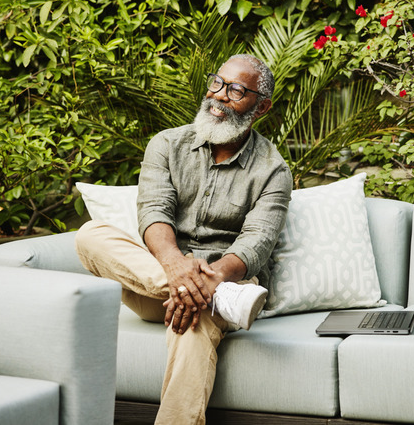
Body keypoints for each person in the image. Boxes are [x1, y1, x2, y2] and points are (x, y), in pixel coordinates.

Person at [74, 54, 292, 424]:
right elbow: (154, 210)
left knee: (194, 325)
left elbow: (255, 243)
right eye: (217, 83)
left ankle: (213, 295)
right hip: (159, 278)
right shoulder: (167, 144)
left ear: (261, 106)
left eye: (237, 90)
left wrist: (213, 279)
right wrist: (178, 269)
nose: (220, 96)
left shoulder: (274, 170)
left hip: (225, 277)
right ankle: (217, 298)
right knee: (89, 235)